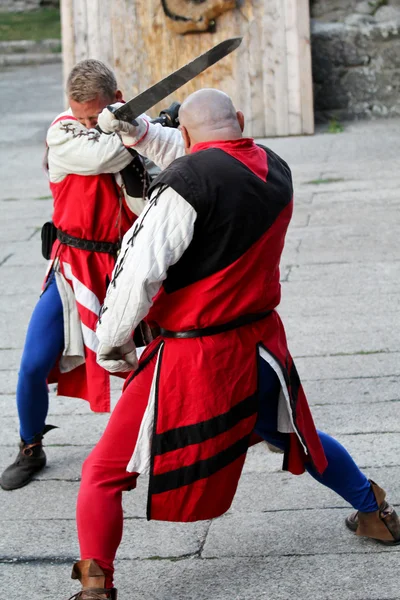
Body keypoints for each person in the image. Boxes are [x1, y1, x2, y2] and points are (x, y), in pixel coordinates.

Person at [65, 89, 400, 600]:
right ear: (240, 121)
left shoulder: (188, 183)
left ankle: (95, 586)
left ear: (189, 135)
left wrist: (112, 346)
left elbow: (138, 275)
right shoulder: (272, 165)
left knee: (103, 473)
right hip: (259, 345)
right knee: (296, 434)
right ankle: (377, 513)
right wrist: (135, 133)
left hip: (194, 356)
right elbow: (206, 164)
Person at [0, 59, 158, 491]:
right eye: (81, 115)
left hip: (127, 266)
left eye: (96, 115)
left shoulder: (132, 128)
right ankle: (30, 445)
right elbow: (106, 154)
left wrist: (148, 131)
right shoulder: (63, 133)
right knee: (34, 362)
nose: (87, 123)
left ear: (117, 101)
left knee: (153, 362)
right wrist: (146, 131)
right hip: (72, 266)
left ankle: (170, 435)